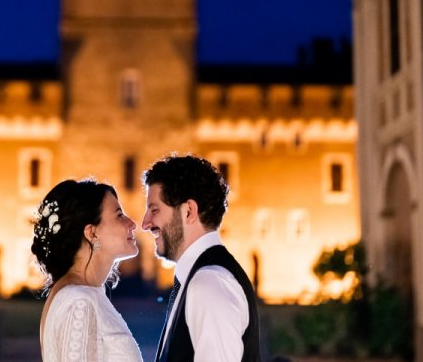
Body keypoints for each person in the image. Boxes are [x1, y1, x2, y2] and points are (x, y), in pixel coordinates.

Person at [142, 154, 266, 362]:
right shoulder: (202, 279)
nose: (145, 223)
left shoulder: (209, 283)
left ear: (189, 211)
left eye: (154, 210)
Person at [32, 178, 144, 362]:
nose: (132, 223)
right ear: (92, 233)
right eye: (119, 215)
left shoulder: (81, 294)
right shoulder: (79, 300)